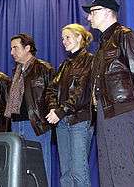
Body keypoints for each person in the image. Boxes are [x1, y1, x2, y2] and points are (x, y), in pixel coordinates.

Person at [82, 0, 134, 187]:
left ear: (107, 12)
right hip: (105, 115)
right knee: (107, 172)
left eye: (93, 12)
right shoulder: (102, 45)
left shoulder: (125, 35)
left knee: (124, 170)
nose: (89, 18)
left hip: (121, 112)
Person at [45, 24, 94, 187]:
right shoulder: (64, 65)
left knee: (79, 170)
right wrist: (53, 107)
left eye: (67, 37)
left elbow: (82, 93)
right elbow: (51, 89)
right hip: (62, 123)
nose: (64, 41)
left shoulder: (90, 61)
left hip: (80, 121)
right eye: (62, 38)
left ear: (79, 37)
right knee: (65, 172)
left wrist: (60, 111)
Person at [4, 33, 55, 186]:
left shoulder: (44, 68)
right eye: (11, 48)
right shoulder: (17, 71)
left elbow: (53, 95)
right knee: (20, 169)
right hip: (16, 124)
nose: (12, 52)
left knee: (39, 167)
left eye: (15, 48)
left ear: (27, 48)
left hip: (35, 124)